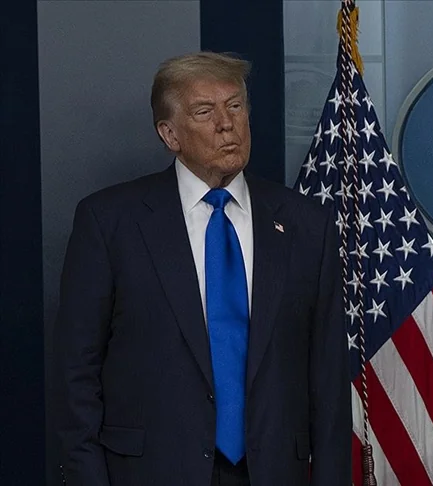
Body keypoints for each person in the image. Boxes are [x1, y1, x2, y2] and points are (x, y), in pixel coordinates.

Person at [53, 52, 351, 486]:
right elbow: (76, 373)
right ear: (169, 134)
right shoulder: (110, 222)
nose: (226, 124)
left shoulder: (306, 224)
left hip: (272, 471)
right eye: (204, 112)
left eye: (235, 106)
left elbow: (328, 378)